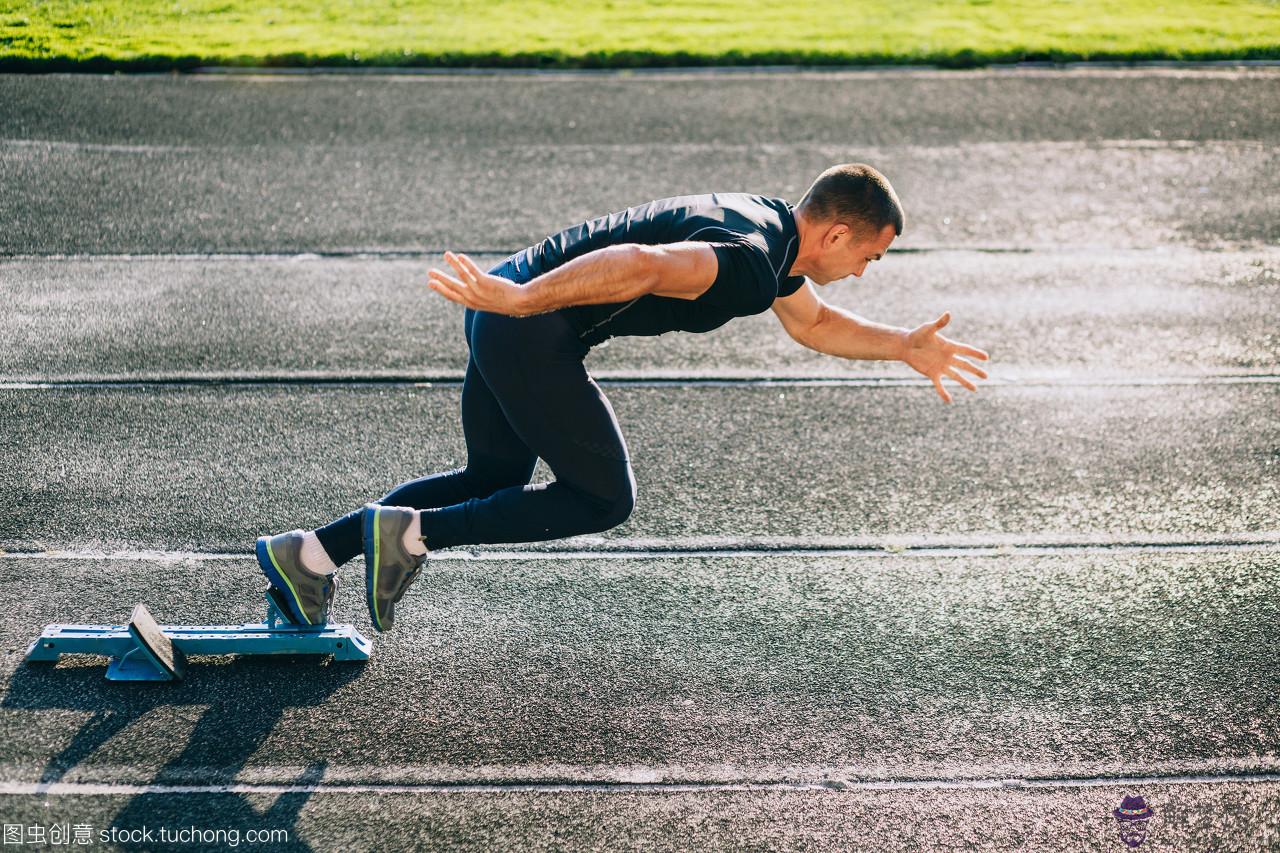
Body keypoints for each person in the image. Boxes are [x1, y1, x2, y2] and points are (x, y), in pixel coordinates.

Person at [255, 163, 989, 632]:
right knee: (601, 498)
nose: (867, 270)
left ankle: (310, 555)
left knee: (490, 480)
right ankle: (411, 536)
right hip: (523, 321)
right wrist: (522, 301)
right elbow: (639, 262)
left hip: (509, 312)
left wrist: (902, 344)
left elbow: (816, 324)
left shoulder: (765, 229)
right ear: (835, 233)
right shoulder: (747, 267)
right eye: (870, 255)